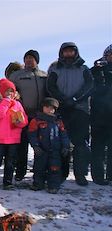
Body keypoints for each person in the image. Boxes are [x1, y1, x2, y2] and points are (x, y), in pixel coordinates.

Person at [47, 42, 93, 186]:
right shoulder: (55, 69)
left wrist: (74, 99)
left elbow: (89, 86)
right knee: (61, 143)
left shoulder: (83, 68)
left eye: (70, 51)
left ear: (75, 52)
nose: (68, 54)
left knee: (80, 144)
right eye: (65, 51)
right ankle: (61, 173)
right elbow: (51, 87)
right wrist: (63, 100)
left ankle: (80, 174)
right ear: (61, 53)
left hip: (80, 110)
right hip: (61, 110)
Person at [0, 78, 28, 192]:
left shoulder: (17, 104)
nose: (9, 93)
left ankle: (7, 182)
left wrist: (20, 122)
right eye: (7, 91)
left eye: (11, 91)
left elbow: (25, 120)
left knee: (10, 163)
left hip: (14, 139)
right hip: (0, 139)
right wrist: (6, 102)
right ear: (2, 92)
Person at [9, 50, 48, 181]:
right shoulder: (16, 75)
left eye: (32, 58)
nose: (29, 60)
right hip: (22, 115)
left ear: (37, 60)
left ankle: (39, 172)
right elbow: (8, 89)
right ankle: (20, 171)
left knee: (40, 145)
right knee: (22, 145)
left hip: (40, 116)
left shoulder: (44, 75)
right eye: (27, 58)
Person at [28, 98, 70, 193]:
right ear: (43, 107)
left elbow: (64, 135)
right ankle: (38, 183)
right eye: (47, 107)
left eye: (52, 108)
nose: (49, 110)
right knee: (39, 168)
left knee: (55, 168)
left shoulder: (58, 121)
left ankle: (53, 185)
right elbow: (32, 134)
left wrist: (65, 146)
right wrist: (35, 146)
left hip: (55, 150)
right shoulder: (36, 120)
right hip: (41, 150)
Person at [90, 44, 112, 185]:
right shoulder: (96, 70)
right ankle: (98, 177)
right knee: (97, 148)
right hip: (99, 115)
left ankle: (110, 176)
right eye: (110, 54)